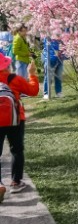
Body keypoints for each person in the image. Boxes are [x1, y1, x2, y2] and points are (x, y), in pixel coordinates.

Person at [0, 53, 39, 198]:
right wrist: (32, 74)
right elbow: (33, 91)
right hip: (15, 119)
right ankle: (16, 182)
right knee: (16, 150)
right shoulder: (14, 79)